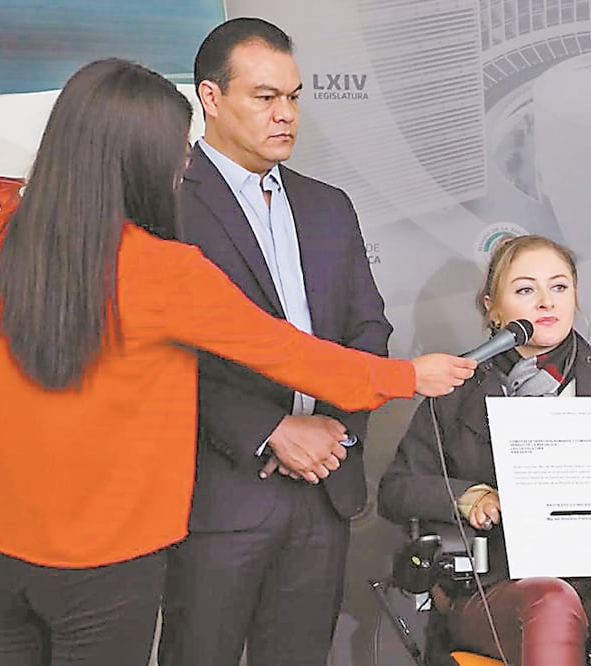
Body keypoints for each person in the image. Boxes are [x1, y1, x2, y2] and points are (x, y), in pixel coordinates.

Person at [0, 58, 474, 666]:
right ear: (136, 158)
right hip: (106, 564)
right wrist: (410, 376)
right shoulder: (161, 270)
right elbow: (293, 356)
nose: (186, 163)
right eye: (176, 149)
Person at [156, 17, 416, 666]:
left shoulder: (328, 205)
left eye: (294, 97)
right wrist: (270, 430)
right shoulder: (165, 204)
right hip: (219, 491)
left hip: (322, 491)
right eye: (264, 97)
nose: (286, 115)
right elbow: (168, 352)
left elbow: (368, 332)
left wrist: (335, 428)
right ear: (210, 99)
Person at [379, 235, 591, 666]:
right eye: (524, 290)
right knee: (551, 600)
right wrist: (467, 496)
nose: (545, 303)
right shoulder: (456, 384)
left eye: (558, 287)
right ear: (492, 309)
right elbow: (397, 489)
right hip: (498, 583)